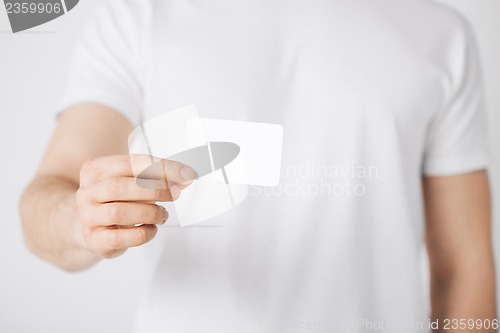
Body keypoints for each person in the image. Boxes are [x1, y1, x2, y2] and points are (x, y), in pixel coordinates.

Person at [20, 0, 497, 332]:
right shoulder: (138, 14)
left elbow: (466, 266)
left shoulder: (441, 34)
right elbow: (50, 195)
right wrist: (82, 220)